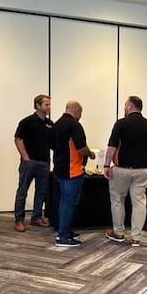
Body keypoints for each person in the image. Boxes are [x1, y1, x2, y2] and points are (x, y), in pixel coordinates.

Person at [103, 96, 147, 247]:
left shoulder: (121, 123)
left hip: (122, 169)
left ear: (129, 106)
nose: (124, 108)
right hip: (143, 170)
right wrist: (143, 150)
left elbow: (112, 147)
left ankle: (119, 233)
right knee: (139, 202)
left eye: (125, 105)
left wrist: (106, 165)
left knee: (117, 200)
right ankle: (136, 237)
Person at [51, 100, 95, 247]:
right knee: (69, 202)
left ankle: (64, 230)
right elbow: (81, 148)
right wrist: (91, 153)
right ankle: (62, 236)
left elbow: (52, 145)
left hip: (59, 168)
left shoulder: (56, 124)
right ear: (76, 110)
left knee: (64, 201)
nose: (80, 116)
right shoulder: (74, 125)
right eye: (80, 113)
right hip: (72, 169)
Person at [13, 95, 53, 232]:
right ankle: (19, 220)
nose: (49, 107)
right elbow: (18, 139)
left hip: (44, 163)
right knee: (22, 191)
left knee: (41, 192)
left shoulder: (50, 124)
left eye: (49, 104)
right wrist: (26, 157)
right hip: (29, 163)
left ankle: (36, 218)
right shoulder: (27, 122)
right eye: (46, 104)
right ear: (38, 105)